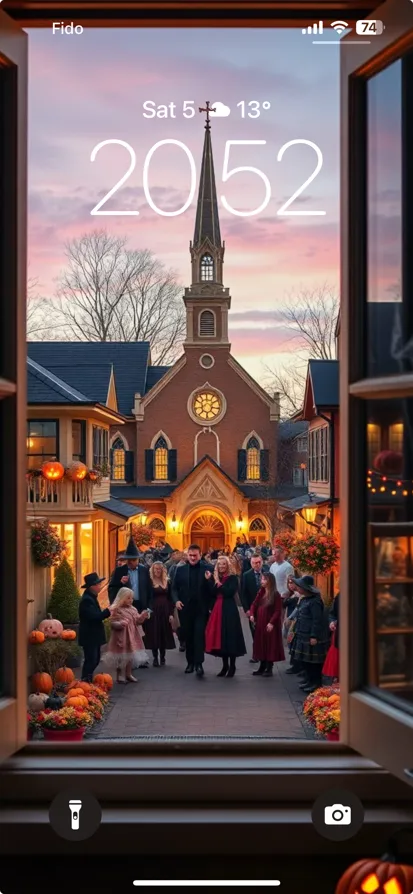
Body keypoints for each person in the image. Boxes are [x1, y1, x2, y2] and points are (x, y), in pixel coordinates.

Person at [172, 543, 213, 677]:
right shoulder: (180, 570)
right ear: (187, 556)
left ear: (200, 555)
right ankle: (190, 663)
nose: (193, 558)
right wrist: (176, 600)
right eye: (190, 555)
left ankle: (199, 664)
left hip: (201, 609)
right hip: (185, 609)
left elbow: (213, 589)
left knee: (199, 636)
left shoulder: (208, 569)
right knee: (188, 636)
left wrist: (208, 580)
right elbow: (173, 589)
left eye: (195, 555)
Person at [205, 555, 246, 677]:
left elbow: (229, 592)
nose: (221, 566)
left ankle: (232, 666)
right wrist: (209, 580)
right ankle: (225, 666)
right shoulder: (217, 577)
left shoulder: (233, 578)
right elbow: (212, 593)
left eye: (224, 564)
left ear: (228, 565)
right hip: (218, 608)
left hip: (229, 608)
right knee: (220, 636)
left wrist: (218, 583)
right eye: (219, 564)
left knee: (230, 636)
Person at [290, 575, 330, 693]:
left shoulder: (315, 601)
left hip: (310, 635)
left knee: (313, 663)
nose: (297, 588)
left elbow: (317, 620)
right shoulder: (304, 599)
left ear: (305, 588)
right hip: (302, 633)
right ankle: (309, 680)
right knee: (305, 661)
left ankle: (315, 683)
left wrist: (314, 635)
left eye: (299, 586)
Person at [104, 587, 150, 683]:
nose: (131, 600)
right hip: (121, 636)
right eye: (128, 598)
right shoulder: (116, 609)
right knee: (121, 656)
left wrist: (143, 616)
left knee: (130, 655)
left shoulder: (133, 609)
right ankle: (120, 675)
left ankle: (128, 674)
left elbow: (137, 621)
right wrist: (119, 624)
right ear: (122, 597)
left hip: (131, 635)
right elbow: (111, 622)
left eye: (132, 598)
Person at [247, 572, 284, 677]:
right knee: (261, 643)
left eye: (264, 579)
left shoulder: (275, 594)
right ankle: (262, 666)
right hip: (261, 623)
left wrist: (271, 622)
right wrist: (252, 614)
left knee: (270, 644)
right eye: (262, 579)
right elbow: (254, 603)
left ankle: (269, 667)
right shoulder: (261, 592)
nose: (261, 581)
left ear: (270, 581)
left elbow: (277, 611)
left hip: (269, 623)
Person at [78, 572, 112, 682]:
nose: (100, 586)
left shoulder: (92, 597)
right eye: (98, 584)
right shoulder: (87, 600)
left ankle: (88, 680)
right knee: (91, 660)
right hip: (89, 635)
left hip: (93, 635)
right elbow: (95, 616)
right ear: (92, 586)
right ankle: (85, 681)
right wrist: (108, 611)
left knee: (95, 659)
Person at [145, 561, 176, 666]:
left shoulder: (167, 581)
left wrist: (171, 613)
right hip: (154, 610)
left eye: (159, 569)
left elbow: (171, 598)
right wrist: (148, 610)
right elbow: (148, 597)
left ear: (163, 569)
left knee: (164, 633)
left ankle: (163, 657)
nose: (158, 571)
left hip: (166, 610)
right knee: (154, 633)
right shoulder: (149, 582)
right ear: (152, 570)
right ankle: (155, 658)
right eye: (156, 569)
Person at [108, 535, 150, 612]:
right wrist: (120, 583)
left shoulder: (144, 570)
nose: (130, 562)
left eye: (133, 560)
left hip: (142, 605)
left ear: (138, 560)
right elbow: (111, 589)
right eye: (128, 559)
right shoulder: (119, 571)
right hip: (125, 607)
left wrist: (149, 607)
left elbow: (149, 589)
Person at [241, 553, 264, 663]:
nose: (257, 565)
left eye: (259, 562)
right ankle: (256, 654)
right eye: (255, 563)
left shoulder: (267, 573)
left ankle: (265, 655)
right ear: (251, 563)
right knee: (254, 632)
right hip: (253, 609)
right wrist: (247, 609)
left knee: (265, 633)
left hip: (266, 608)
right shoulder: (246, 575)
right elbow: (243, 594)